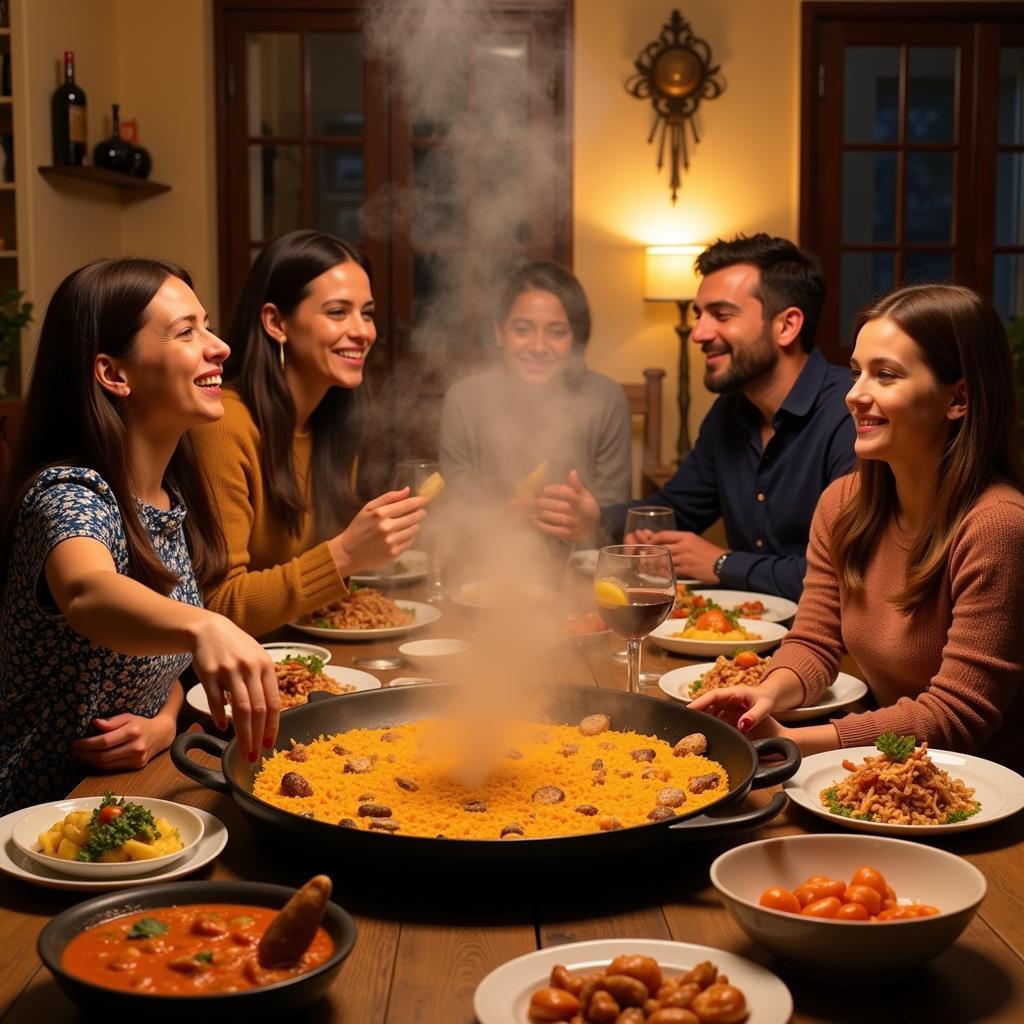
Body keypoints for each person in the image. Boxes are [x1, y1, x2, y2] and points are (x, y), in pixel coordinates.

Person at [691, 283, 1024, 769]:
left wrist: (796, 741)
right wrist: (764, 695)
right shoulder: (844, 503)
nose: (854, 395)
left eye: (885, 375)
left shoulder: (997, 526)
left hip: (982, 797)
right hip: (878, 767)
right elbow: (815, 641)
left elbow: (959, 715)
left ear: (959, 399)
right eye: (856, 373)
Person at [0, 259, 281, 814]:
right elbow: (88, 592)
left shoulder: (169, 498)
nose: (219, 346)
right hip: (37, 825)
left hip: (129, 799)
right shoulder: (67, 492)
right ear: (113, 374)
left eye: (208, 325)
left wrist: (164, 720)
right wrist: (207, 624)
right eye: (186, 331)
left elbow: (159, 669)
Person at [534, 234, 855, 600]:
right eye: (700, 315)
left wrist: (721, 564)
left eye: (722, 315)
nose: (699, 333)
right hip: (743, 641)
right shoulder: (729, 414)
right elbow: (676, 509)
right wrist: (594, 519)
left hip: (836, 650)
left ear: (787, 326)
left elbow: (847, 574)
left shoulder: (851, 415)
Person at [191, 231, 427, 637]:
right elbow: (216, 608)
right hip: (234, 675)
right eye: (338, 312)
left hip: (303, 649)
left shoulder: (332, 420)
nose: (362, 332)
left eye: (367, 313)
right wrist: (347, 553)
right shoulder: (225, 425)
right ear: (276, 322)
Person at [439, 260, 631, 509]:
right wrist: (503, 516)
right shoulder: (463, 400)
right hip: (485, 545)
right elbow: (457, 506)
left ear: (576, 339)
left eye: (556, 332)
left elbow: (613, 511)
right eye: (523, 330)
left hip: (582, 547)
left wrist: (584, 519)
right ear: (499, 333)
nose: (539, 347)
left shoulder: (605, 398)